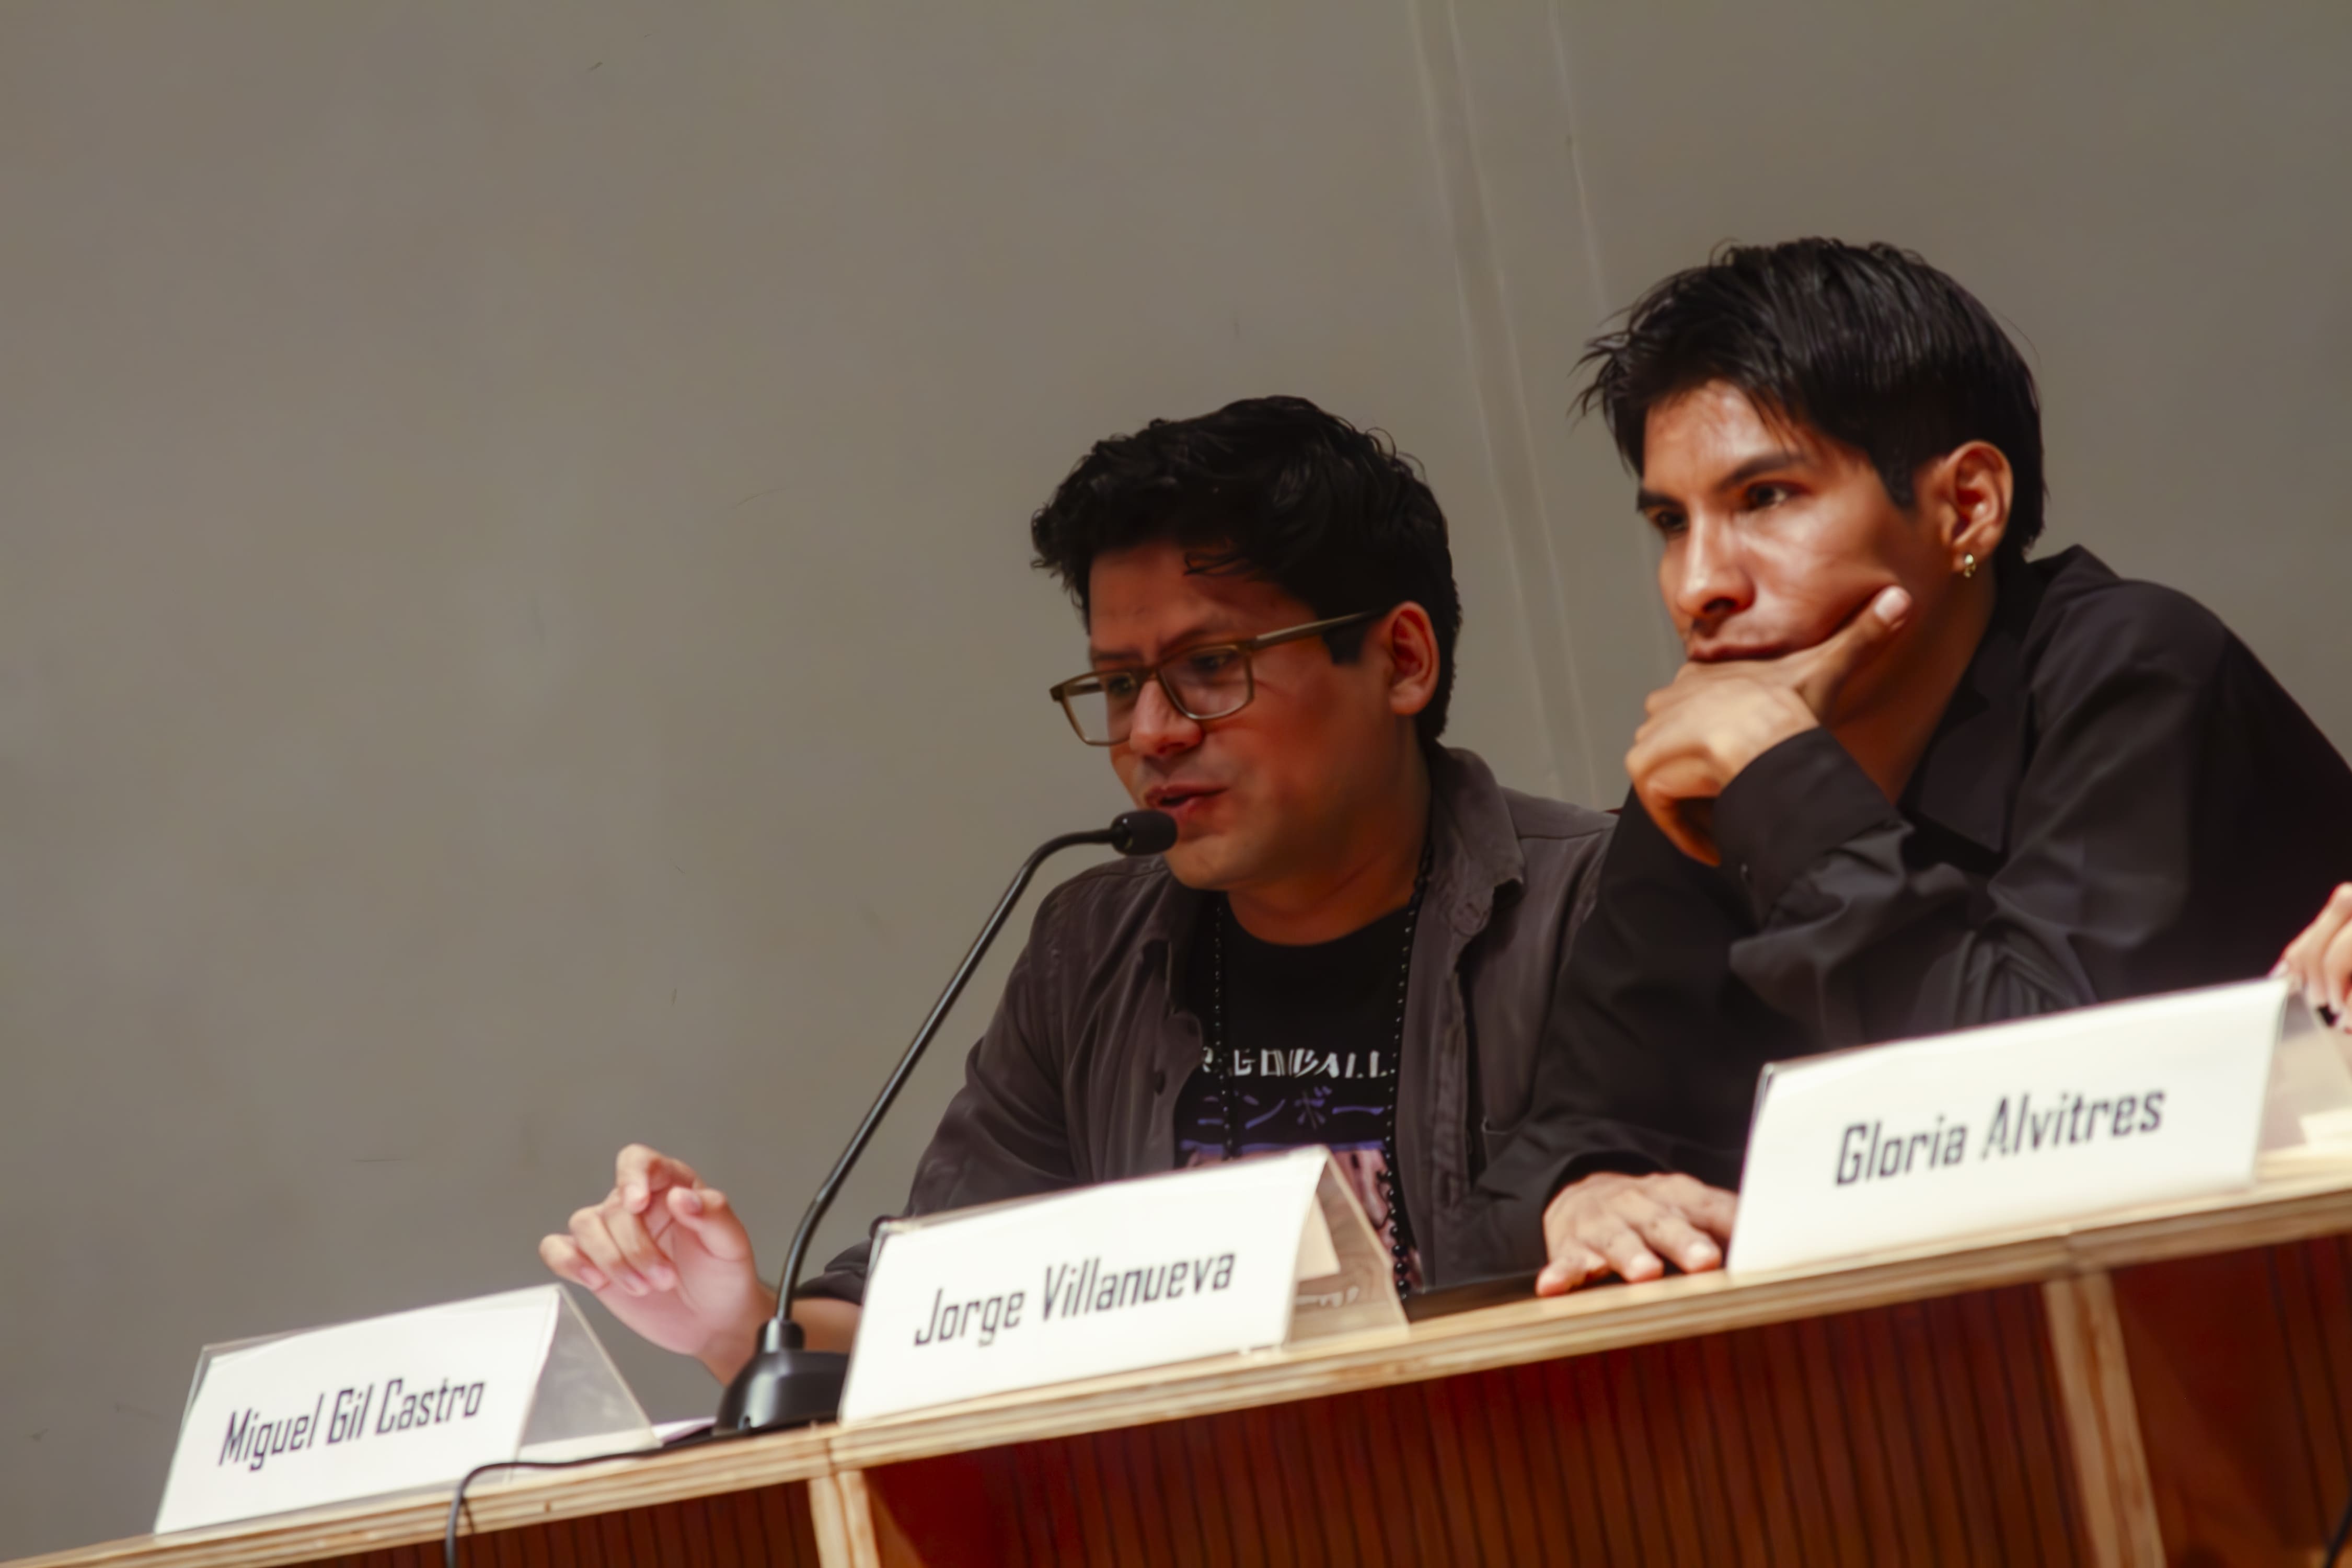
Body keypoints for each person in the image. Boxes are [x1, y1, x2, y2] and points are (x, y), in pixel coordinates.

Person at [541, 396, 1613, 1380]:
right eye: (1116, 684)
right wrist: (740, 1323)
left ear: (1401, 660)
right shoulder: (1093, 947)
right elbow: (943, 1303)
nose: (1151, 732)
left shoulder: (1598, 909)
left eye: (1210, 668)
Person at [1469, 239, 2352, 1296]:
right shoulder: (1721, 765)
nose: (1697, 584)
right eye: (1671, 522)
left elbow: (2048, 1122)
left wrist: (1788, 791)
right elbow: (1527, 1174)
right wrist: (1583, 1193)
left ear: (1966, 508)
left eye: (1766, 500)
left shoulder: (2135, 667)